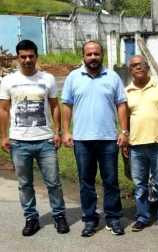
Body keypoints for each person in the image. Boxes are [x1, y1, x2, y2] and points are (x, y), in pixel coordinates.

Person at [0, 39, 69, 236]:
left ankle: (59, 216)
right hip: (19, 142)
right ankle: (31, 218)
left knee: (53, 182)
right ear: (18, 58)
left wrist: (57, 132)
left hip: (45, 140)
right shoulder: (8, 81)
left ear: (36, 56)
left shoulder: (48, 78)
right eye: (23, 57)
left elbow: (55, 106)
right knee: (25, 184)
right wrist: (3, 136)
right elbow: (4, 110)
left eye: (30, 56)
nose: (27, 60)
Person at [61, 40, 129, 237]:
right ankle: (90, 219)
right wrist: (66, 131)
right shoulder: (73, 77)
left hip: (108, 139)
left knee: (111, 181)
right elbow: (67, 105)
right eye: (89, 54)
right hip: (82, 140)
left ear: (102, 55)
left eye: (96, 54)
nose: (93, 57)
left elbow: (122, 105)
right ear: (83, 56)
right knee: (86, 181)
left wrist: (124, 131)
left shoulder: (113, 77)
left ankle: (113, 218)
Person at [123, 54, 158, 234]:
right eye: (133, 65)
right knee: (139, 186)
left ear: (147, 67)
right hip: (136, 145)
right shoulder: (127, 91)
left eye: (141, 64)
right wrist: (124, 140)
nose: (138, 67)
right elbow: (124, 118)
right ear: (130, 70)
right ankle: (142, 217)